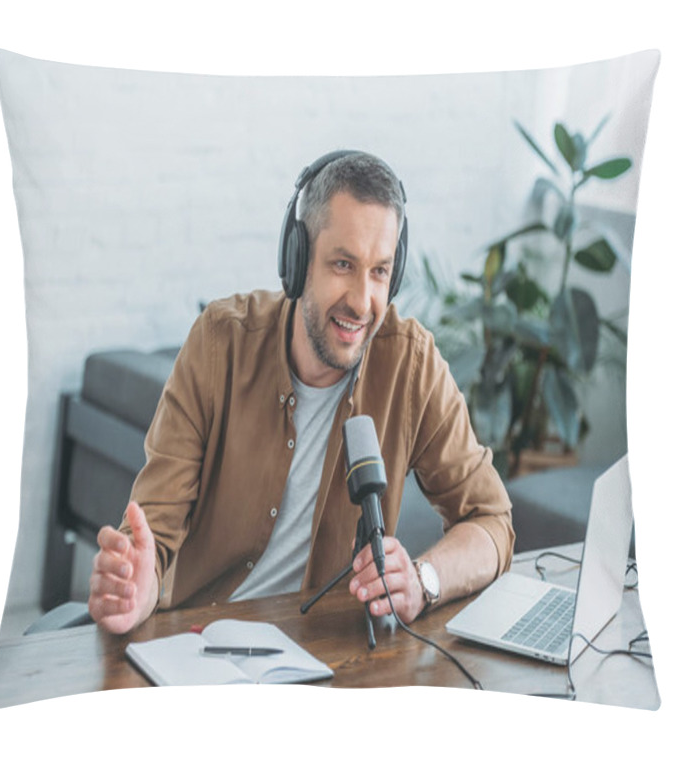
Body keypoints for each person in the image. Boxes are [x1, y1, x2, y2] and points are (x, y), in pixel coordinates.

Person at [89, 151, 514, 635]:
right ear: (296, 259)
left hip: (330, 662)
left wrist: (423, 580)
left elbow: (492, 521)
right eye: (342, 264)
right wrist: (137, 586)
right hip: (198, 647)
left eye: (379, 272)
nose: (361, 301)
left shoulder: (411, 364)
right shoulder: (217, 344)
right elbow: (154, 535)